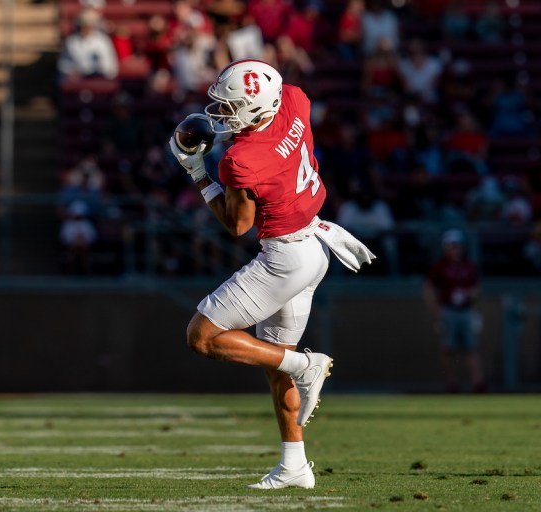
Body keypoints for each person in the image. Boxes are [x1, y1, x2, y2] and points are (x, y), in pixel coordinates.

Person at [168, 59, 375, 489]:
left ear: (256, 108)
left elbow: (237, 224)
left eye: (231, 108)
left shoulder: (241, 160)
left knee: (202, 336)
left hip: (284, 257)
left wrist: (196, 173)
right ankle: (295, 465)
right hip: (314, 247)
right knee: (273, 361)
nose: (221, 116)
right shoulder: (294, 101)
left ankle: (307, 365)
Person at [423, 229, 485, 393]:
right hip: (448, 310)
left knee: (471, 348)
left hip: (465, 310)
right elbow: (428, 289)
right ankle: (452, 383)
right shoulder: (440, 267)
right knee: (448, 349)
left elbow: (476, 288)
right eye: (451, 246)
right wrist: (436, 311)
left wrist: (472, 297)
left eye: (457, 246)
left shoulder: (468, 266)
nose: (455, 249)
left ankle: (477, 382)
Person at [58, 9, 119, 80]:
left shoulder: (103, 41)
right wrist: (71, 72)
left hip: (100, 79)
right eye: (83, 25)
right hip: (78, 80)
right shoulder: (71, 42)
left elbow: (111, 65)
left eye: (88, 25)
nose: (85, 29)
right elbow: (64, 64)